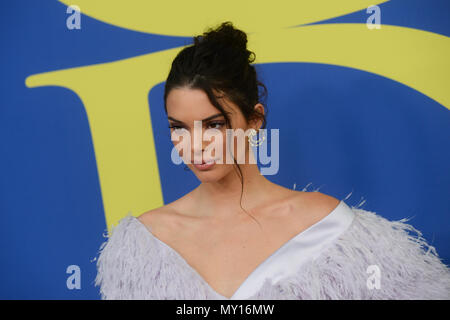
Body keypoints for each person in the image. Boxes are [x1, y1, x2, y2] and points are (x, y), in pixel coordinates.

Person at [94, 21, 450, 300]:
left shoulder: (330, 233)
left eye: (215, 125)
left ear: (254, 121)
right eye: (179, 127)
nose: (195, 145)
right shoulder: (144, 246)